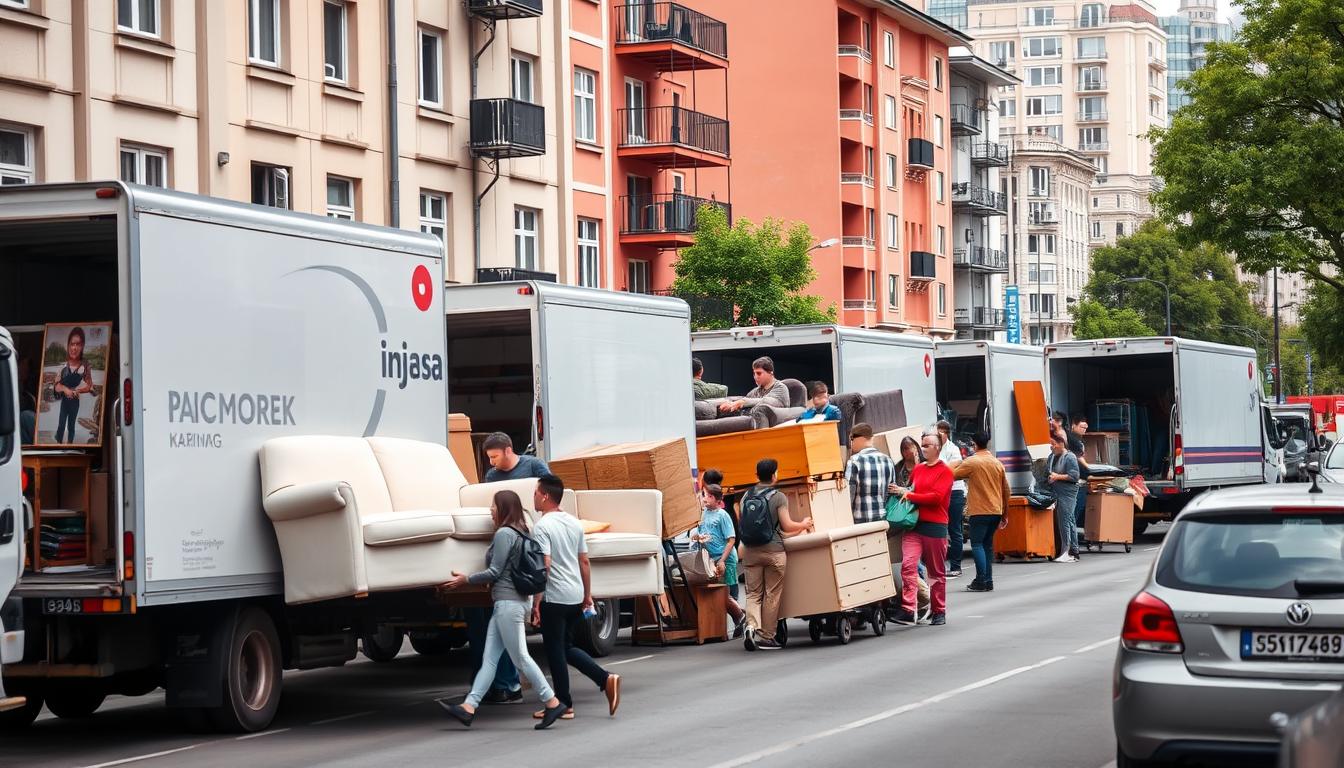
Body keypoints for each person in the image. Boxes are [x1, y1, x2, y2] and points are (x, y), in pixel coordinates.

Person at [437, 490, 566, 730]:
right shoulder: (522, 531)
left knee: (521, 658)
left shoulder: (505, 534)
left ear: (504, 508)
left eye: (494, 506)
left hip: (509, 604)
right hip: (506, 603)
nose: (491, 510)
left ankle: (552, 701)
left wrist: (466, 580)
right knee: (490, 660)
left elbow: (495, 572)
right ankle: (469, 707)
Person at [530, 474, 621, 720]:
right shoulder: (573, 523)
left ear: (546, 495)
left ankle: (564, 703)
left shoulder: (542, 527)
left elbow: (544, 566)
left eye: (536, 493)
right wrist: (587, 594)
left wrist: (536, 601)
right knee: (565, 647)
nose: (534, 497)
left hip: (555, 596)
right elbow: (584, 561)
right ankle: (604, 680)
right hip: (574, 595)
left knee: (555, 651)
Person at [741, 458, 812, 651]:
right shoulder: (778, 497)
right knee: (772, 594)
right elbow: (787, 525)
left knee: (753, 593)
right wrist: (803, 525)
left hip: (750, 553)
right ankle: (766, 636)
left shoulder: (746, 496)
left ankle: (751, 626)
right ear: (774, 475)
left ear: (757, 475)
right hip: (774, 551)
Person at [890, 432, 953, 626]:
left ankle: (939, 610)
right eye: (922, 444)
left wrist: (908, 495)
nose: (923, 448)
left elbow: (936, 498)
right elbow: (912, 490)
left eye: (927, 445)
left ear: (937, 448)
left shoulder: (945, 471)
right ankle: (909, 609)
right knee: (908, 566)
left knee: (936, 572)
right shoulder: (918, 469)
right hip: (914, 525)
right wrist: (905, 493)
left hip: (935, 526)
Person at [953, 430, 1011, 592]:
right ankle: (988, 580)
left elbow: (952, 475)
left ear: (974, 444)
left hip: (979, 510)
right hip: (996, 510)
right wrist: (1005, 514)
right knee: (987, 545)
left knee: (977, 544)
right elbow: (1007, 491)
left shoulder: (972, 462)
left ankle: (980, 580)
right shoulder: (997, 463)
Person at [691, 483, 746, 638]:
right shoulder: (703, 514)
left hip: (725, 559)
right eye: (704, 495)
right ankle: (741, 618)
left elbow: (731, 540)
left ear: (717, 500)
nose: (705, 499)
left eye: (709, 496)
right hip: (710, 559)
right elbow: (700, 533)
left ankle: (741, 618)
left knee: (725, 593)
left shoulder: (723, 515)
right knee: (718, 593)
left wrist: (722, 560)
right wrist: (698, 537)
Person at [893, 435, 932, 621]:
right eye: (906, 449)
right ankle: (917, 603)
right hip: (906, 517)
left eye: (912, 447)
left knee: (915, 563)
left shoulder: (925, 466)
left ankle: (925, 600)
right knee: (911, 563)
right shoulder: (898, 467)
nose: (910, 452)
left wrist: (907, 491)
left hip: (924, 516)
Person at [936, 420, 967, 578]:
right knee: (939, 530)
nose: (937, 435)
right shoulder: (933, 449)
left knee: (955, 530)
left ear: (946, 433)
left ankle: (956, 566)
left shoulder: (953, 449)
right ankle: (939, 566)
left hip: (954, 492)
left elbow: (951, 469)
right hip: (938, 493)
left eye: (940, 432)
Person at [53, 327, 93, 444]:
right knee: (61, 425)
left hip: (75, 401)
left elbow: (89, 386)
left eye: (78, 344)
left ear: (82, 346)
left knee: (71, 426)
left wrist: (78, 391)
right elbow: (56, 386)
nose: (74, 348)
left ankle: (70, 445)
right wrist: (65, 389)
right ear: (68, 345)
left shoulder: (85, 365)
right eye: (72, 344)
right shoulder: (63, 365)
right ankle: (58, 443)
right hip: (65, 401)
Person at [1046, 434, 1081, 563]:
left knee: (1064, 520)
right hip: (1056, 491)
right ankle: (1074, 550)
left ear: (1061, 443)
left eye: (1054, 443)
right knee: (1069, 520)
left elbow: (1074, 476)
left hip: (1068, 492)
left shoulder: (1069, 457)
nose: (1052, 446)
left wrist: (1057, 477)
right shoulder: (1052, 456)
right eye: (1050, 444)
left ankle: (1066, 551)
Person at [718, 356, 789, 415]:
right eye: (754, 373)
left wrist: (743, 402)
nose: (755, 377)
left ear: (770, 373)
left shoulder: (781, 388)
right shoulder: (755, 392)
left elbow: (769, 401)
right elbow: (744, 405)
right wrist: (731, 405)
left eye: (759, 373)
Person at [482, 432, 550, 482]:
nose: (491, 462)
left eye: (494, 457)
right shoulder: (491, 476)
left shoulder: (534, 465)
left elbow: (552, 489)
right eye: (490, 458)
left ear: (508, 451)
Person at [1069, 414, 1092, 555]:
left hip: (1081, 480)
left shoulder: (1078, 440)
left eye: (1086, 427)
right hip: (1077, 482)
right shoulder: (1072, 440)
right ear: (1073, 425)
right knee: (1075, 511)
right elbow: (1079, 459)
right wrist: (1091, 469)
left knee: (1078, 510)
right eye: (1082, 427)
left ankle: (1074, 541)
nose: (1084, 429)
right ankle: (1073, 543)